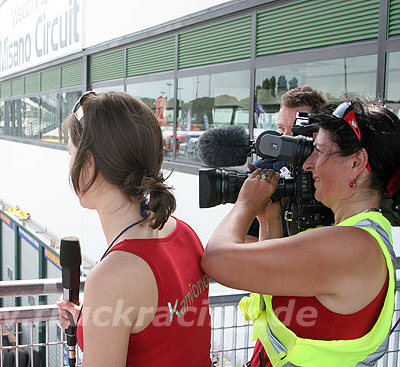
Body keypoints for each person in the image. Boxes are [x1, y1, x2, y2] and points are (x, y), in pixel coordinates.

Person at [202, 99, 400, 367]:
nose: (308, 165)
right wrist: (268, 218)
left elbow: (217, 260)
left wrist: (245, 205)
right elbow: (271, 286)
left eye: (319, 151)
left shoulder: (351, 246)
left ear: (355, 163)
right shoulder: (355, 235)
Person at [56, 91, 211, 366]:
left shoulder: (111, 279)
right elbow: (162, 335)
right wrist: (92, 319)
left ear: (89, 165)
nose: (69, 164)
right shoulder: (183, 233)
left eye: (70, 153)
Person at [246, 86, 327, 241]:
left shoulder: (335, 175)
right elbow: (246, 237)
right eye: (281, 128)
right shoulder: (264, 169)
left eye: (297, 130)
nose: (287, 137)